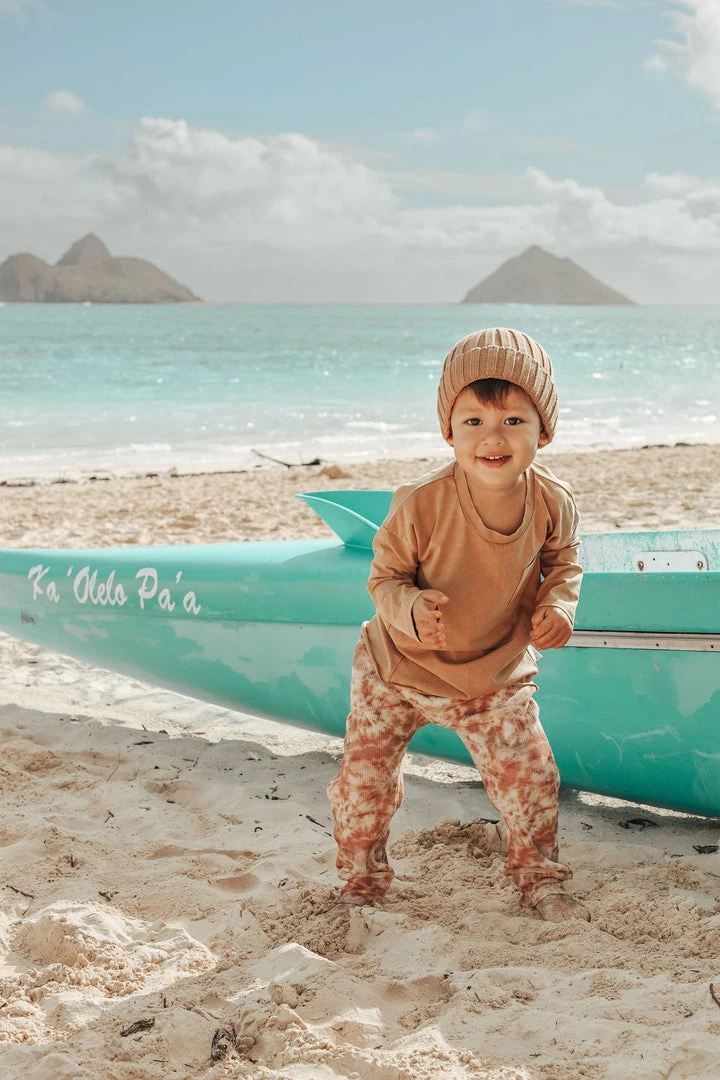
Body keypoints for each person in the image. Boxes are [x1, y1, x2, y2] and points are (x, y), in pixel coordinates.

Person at [327, 327, 590, 924]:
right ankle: (362, 883)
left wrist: (560, 605)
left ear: (544, 430)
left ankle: (538, 878)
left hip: (493, 672)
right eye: (473, 422)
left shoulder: (553, 501)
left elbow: (563, 563)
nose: (492, 437)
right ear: (449, 431)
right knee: (364, 784)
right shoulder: (420, 502)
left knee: (530, 777)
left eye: (513, 421)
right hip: (396, 668)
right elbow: (384, 578)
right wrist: (410, 607)